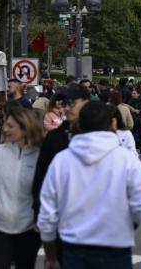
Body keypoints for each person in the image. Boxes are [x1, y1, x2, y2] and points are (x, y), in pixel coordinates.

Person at [37, 101, 141, 269]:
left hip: (74, 246)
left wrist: (51, 255)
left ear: (79, 124)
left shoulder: (63, 160)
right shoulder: (126, 160)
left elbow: (47, 212)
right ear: (112, 124)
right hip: (116, 245)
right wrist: (129, 222)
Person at [0, 105, 43, 269]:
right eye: (5, 124)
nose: (5, 129)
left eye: (10, 126)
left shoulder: (39, 156)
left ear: (25, 127)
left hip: (28, 229)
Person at [31, 84, 89, 213]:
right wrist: (38, 211)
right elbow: (41, 176)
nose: (66, 108)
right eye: (63, 104)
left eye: (71, 103)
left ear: (86, 103)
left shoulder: (100, 135)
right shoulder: (54, 137)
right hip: (60, 216)